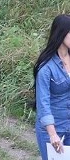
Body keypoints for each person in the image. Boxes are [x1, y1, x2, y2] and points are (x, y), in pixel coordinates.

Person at [34, 14, 70, 159]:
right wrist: (52, 133)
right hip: (54, 128)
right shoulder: (46, 68)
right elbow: (43, 103)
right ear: (61, 34)